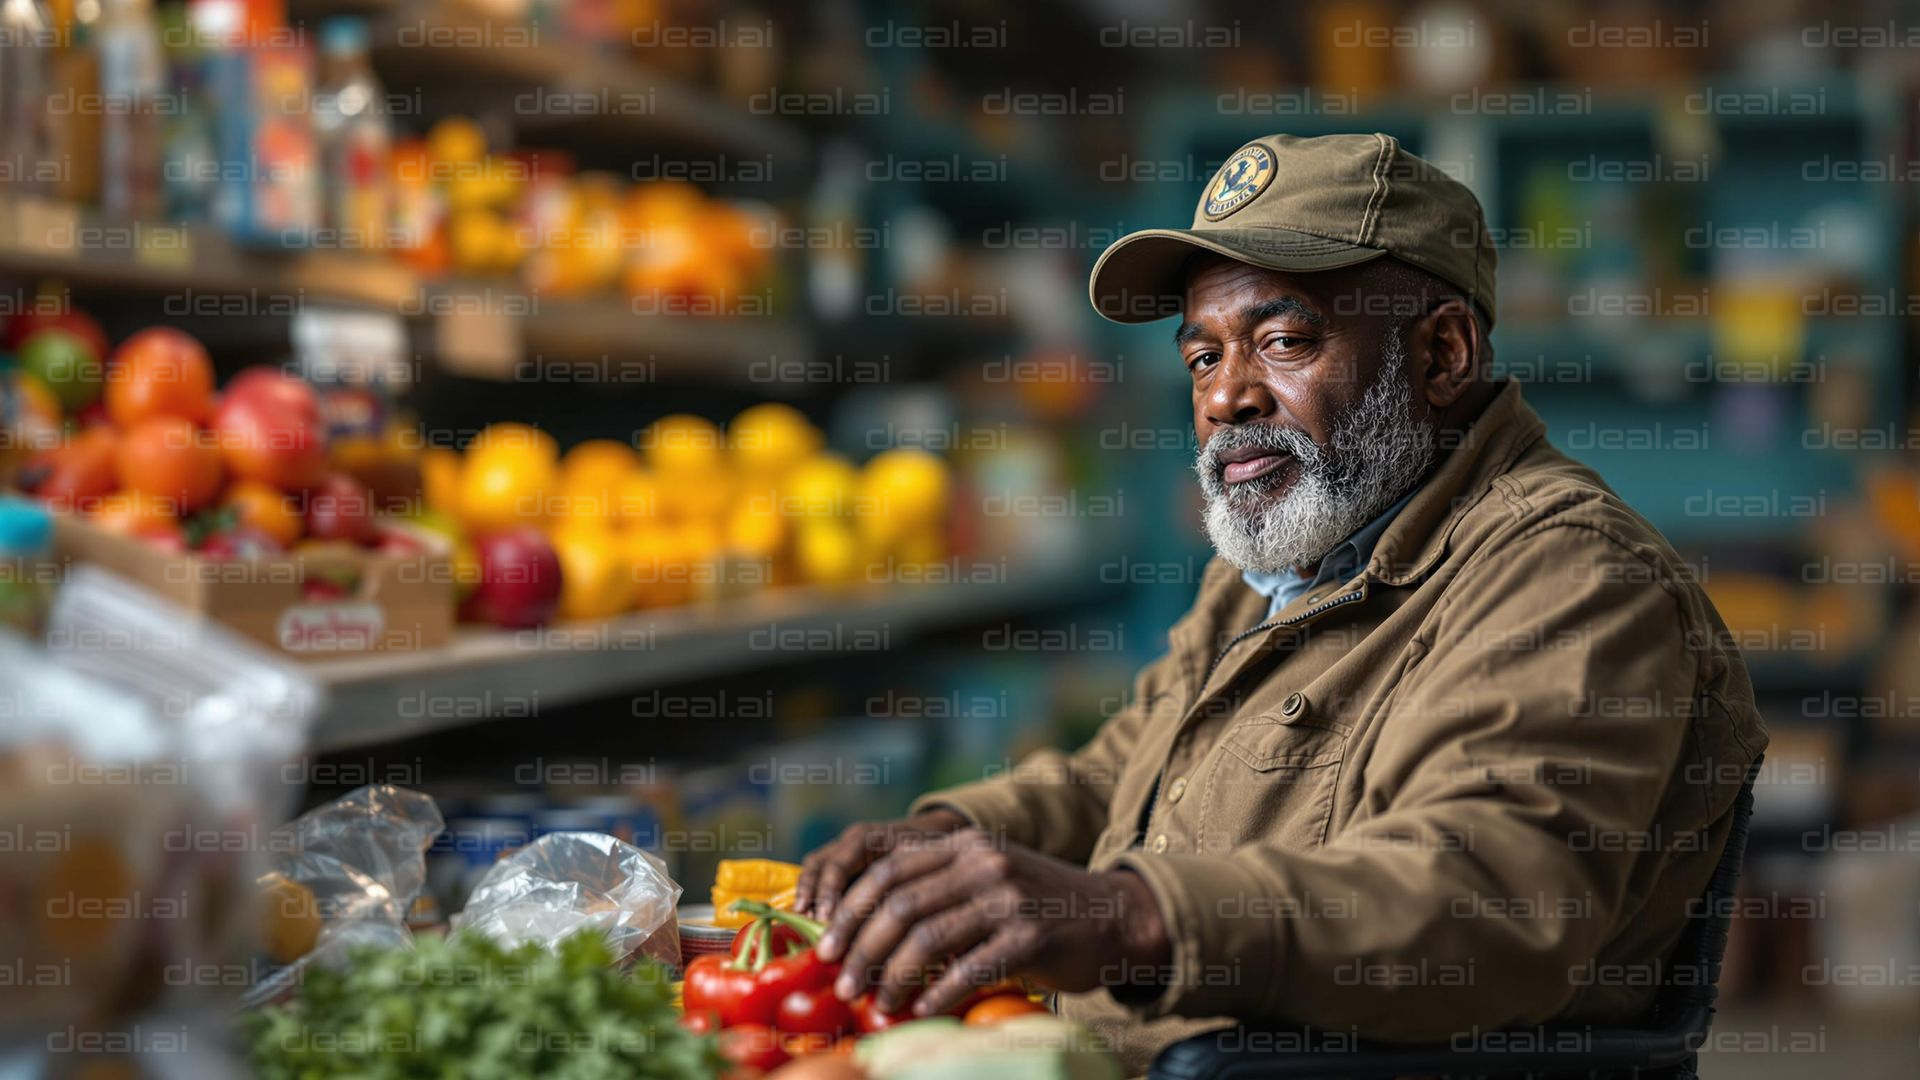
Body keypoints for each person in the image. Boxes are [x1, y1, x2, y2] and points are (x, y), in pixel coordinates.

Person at [793, 132, 1768, 1075]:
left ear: (1442, 354)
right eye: (1203, 357)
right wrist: (943, 844)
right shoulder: (1281, 560)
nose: (1228, 398)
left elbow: (1486, 903)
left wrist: (1131, 917)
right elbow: (1126, 777)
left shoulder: (1570, 577)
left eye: (1284, 339)